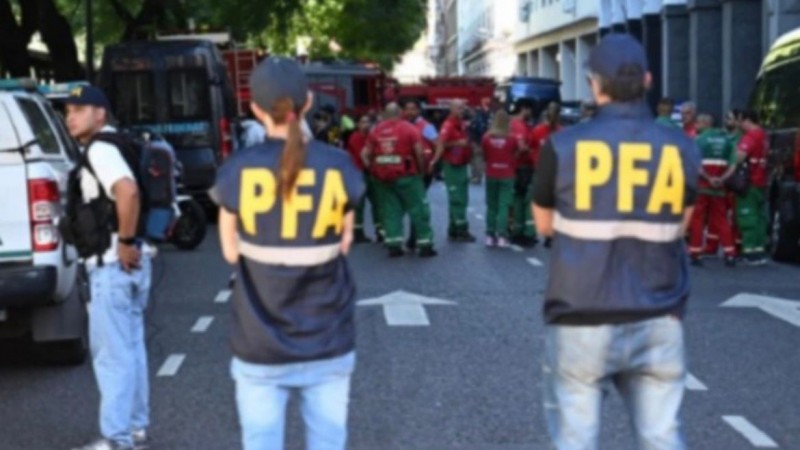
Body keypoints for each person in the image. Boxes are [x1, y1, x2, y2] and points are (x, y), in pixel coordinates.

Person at [532, 34, 700, 450]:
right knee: (662, 437)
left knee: (575, 439)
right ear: (646, 80)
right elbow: (682, 226)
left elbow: (545, 225)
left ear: (594, 84)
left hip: (581, 313)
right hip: (659, 311)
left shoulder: (562, 145)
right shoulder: (681, 147)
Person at [211, 57, 365, 450]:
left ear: (255, 109)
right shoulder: (339, 166)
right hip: (327, 337)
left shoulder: (237, 169)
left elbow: (230, 252)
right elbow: (344, 243)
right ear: (309, 102)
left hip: (259, 343)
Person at [64, 86, 153, 450]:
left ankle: (117, 439)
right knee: (131, 349)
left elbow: (127, 191)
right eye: (67, 110)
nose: (70, 116)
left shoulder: (100, 149)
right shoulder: (120, 144)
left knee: (112, 357)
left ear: (100, 114)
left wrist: (125, 241)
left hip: (113, 265)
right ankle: (134, 428)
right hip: (132, 264)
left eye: (80, 109)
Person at [364, 103, 437, 258]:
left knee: (391, 212)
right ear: (400, 113)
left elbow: (365, 154)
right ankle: (425, 245)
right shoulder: (409, 129)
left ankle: (394, 245)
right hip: (407, 176)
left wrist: (373, 169)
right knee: (419, 210)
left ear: (385, 113)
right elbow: (419, 153)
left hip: (383, 179)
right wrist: (421, 171)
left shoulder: (375, 130)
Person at [688, 114, 738, 267]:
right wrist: (721, 179)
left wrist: (708, 178)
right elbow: (733, 165)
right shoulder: (727, 141)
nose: (695, 126)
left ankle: (695, 253)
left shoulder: (699, 141)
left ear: (705, 123)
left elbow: (695, 165)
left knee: (697, 220)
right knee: (722, 220)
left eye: (697, 123)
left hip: (703, 187)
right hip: (720, 188)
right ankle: (730, 254)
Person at [433, 100, 476, 242]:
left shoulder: (460, 124)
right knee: (458, 199)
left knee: (459, 198)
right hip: (452, 165)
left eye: (462, 108)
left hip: (461, 164)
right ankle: (462, 230)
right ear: (451, 109)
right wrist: (435, 161)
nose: (461, 110)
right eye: (458, 108)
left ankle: (453, 229)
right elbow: (441, 142)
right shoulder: (448, 125)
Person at [735, 109, 769, 265]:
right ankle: (759, 250)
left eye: (740, 120)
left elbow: (739, 156)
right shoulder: (763, 134)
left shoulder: (750, 136)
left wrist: (733, 151)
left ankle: (749, 252)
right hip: (761, 181)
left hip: (749, 182)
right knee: (759, 217)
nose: (739, 124)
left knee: (748, 216)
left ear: (747, 120)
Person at [481, 110, 519, 248]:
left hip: (491, 172)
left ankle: (489, 235)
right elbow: (517, 152)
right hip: (507, 173)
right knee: (504, 205)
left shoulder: (486, 137)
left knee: (491, 205)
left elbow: (484, 154)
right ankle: (502, 236)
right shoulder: (512, 138)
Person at [405, 99, 440, 249]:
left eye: (413, 109)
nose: (410, 112)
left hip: (423, 171)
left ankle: (415, 237)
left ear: (419, 111)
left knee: (417, 204)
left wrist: (432, 162)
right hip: (407, 171)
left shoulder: (426, 127)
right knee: (413, 204)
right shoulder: (404, 125)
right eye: (407, 109)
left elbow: (438, 145)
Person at [347, 115, 383, 243]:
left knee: (378, 203)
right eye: (363, 122)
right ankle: (358, 233)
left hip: (369, 173)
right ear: (358, 125)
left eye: (368, 121)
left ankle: (380, 231)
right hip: (359, 173)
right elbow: (363, 154)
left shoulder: (371, 137)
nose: (366, 124)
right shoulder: (356, 138)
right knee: (359, 206)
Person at [509, 103, 536, 247]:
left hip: (515, 167)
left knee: (518, 199)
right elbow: (521, 147)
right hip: (523, 167)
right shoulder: (519, 126)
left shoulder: (513, 124)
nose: (531, 112)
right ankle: (528, 233)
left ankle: (516, 231)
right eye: (529, 109)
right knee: (527, 200)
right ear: (524, 108)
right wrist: (532, 150)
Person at [468, 97, 493, 184]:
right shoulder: (491, 114)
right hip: (485, 140)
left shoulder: (479, 115)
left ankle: (477, 177)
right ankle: (476, 176)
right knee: (478, 159)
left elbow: (477, 128)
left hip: (478, 140)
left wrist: (474, 139)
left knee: (477, 159)